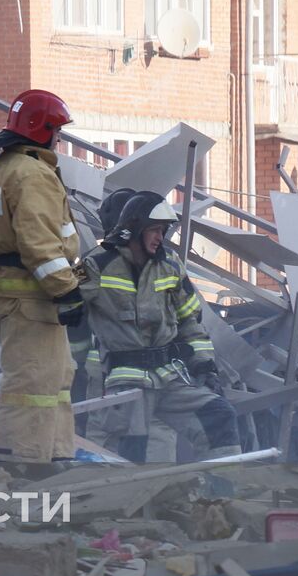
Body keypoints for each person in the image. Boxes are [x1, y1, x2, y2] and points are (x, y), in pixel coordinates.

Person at [78, 191, 242, 464]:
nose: (160, 237)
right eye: (154, 229)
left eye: (163, 230)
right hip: (125, 383)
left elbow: (190, 319)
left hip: (169, 377)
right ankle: (128, 504)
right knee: (140, 456)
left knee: (218, 415)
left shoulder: (170, 265)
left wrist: (205, 364)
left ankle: (219, 499)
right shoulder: (95, 263)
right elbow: (60, 297)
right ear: (135, 228)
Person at [0, 89, 81, 463]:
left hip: (15, 293)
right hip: (33, 297)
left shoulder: (2, 168)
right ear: (43, 129)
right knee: (33, 383)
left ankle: (55, 454)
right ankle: (21, 464)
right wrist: (67, 290)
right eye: (58, 131)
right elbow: (38, 241)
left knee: (55, 378)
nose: (61, 139)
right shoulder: (32, 173)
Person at [68, 187, 135, 434]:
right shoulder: (163, 259)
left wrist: (76, 360)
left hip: (104, 370)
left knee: (102, 436)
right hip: (156, 370)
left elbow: (69, 301)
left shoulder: (90, 262)